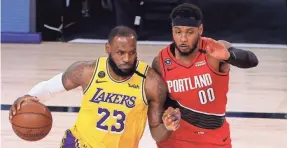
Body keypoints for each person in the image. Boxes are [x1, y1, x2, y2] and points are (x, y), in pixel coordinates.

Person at [9, 26, 181, 148]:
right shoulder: (86, 71)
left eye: (132, 52)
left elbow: (157, 134)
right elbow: (48, 88)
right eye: (120, 52)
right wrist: (26, 97)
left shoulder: (151, 82)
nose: (127, 59)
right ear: (108, 48)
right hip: (80, 144)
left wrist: (167, 126)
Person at [152, 3, 259, 148]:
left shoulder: (214, 49)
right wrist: (167, 114)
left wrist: (229, 56)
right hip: (174, 141)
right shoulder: (161, 61)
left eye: (189, 32)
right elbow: (158, 105)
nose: (183, 38)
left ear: (200, 29)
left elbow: (252, 60)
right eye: (178, 32)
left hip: (214, 140)